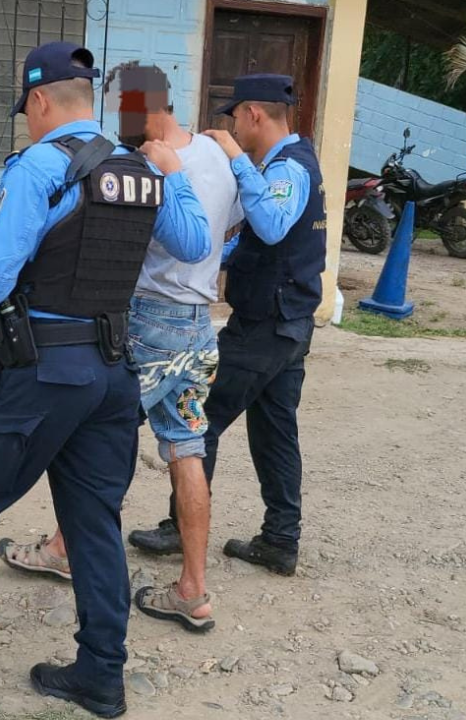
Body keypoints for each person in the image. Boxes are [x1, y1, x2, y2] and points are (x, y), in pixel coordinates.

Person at [0, 42, 210, 719]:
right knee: (94, 523)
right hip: (111, 376)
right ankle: (100, 676)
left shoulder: (40, 165)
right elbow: (195, 244)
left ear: (38, 100)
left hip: (40, 374)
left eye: (25, 110)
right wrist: (173, 173)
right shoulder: (140, 171)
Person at [0, 62, 243, 634]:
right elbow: (229, 227)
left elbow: (155, 235)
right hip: (200, 322)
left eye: (122, 108)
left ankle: (64, 551)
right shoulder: (217, 155)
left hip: (148, 319)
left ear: (142, 104)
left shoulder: (149, 166)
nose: (117, 121)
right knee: (187, 448)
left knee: (94, 433)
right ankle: (193, 590)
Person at [128, 73, 327, 577]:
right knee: (275, 432)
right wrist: (216, 254)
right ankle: (280, 540)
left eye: (236, 116)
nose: (233, 126)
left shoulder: (287, 167)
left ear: (253, 114)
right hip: (288, 322)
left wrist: (236, 158)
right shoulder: (286, 163)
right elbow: (254, 236)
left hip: (266, 325)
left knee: (197, 421)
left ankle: (180, 530)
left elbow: (272, 225)